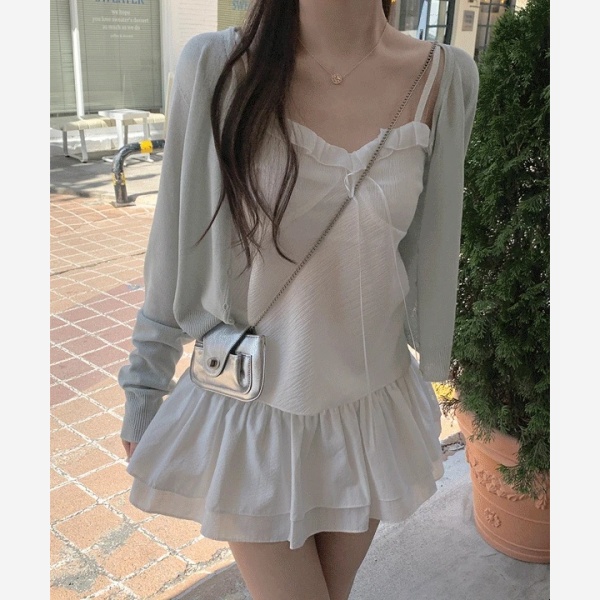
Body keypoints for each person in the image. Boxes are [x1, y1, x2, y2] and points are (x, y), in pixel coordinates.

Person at [118, 1, 479, 598]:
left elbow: (431, 242)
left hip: (367, 413)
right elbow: (175, 244)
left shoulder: (444, 76)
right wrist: (144, 380)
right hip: (255, 414)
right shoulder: (218, 66)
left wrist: (436, 359)